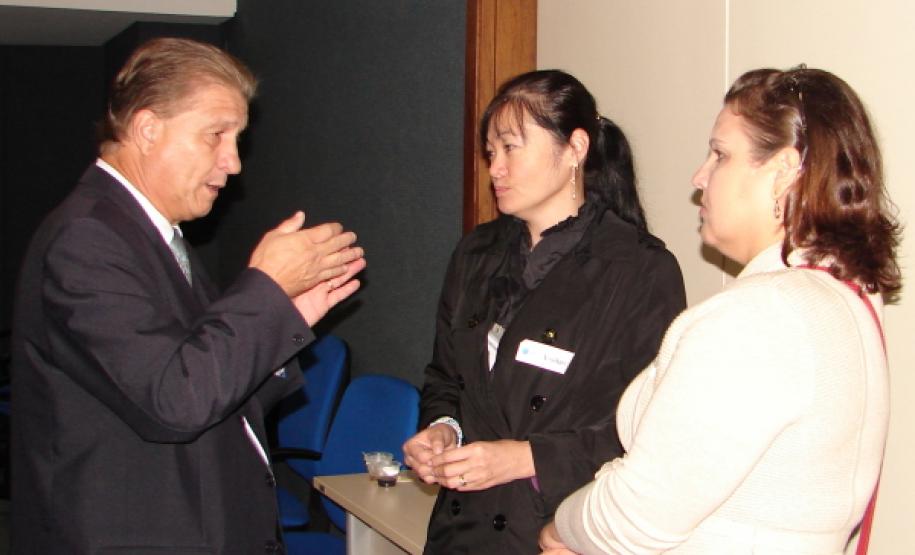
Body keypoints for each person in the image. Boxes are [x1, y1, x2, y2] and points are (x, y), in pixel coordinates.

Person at [9, 37, 366, 554]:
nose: (234, 162)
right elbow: (176, 402)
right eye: (216, 135)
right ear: (148, 129)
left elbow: (216, 388)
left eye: (237, 138)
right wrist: (265, 290)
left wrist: (284, 317)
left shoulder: (151, 234)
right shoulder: (88, 239)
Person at [540, 66, 901, 554]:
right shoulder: (848, 299)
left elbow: (638, 514)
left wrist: (561, 527)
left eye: (720, 154)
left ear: (783, 171)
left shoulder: (759, 321)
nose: (700, 176)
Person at [402, 69, 686, 554]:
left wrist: (527, 458)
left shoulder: (639, 269)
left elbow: (650, 429)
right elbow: (445, 377)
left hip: (558, 528)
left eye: (512, 148)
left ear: (575, 148)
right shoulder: (475, 254)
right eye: (491, 153)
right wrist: (441, 430)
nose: (495, 169)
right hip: (461, 528)